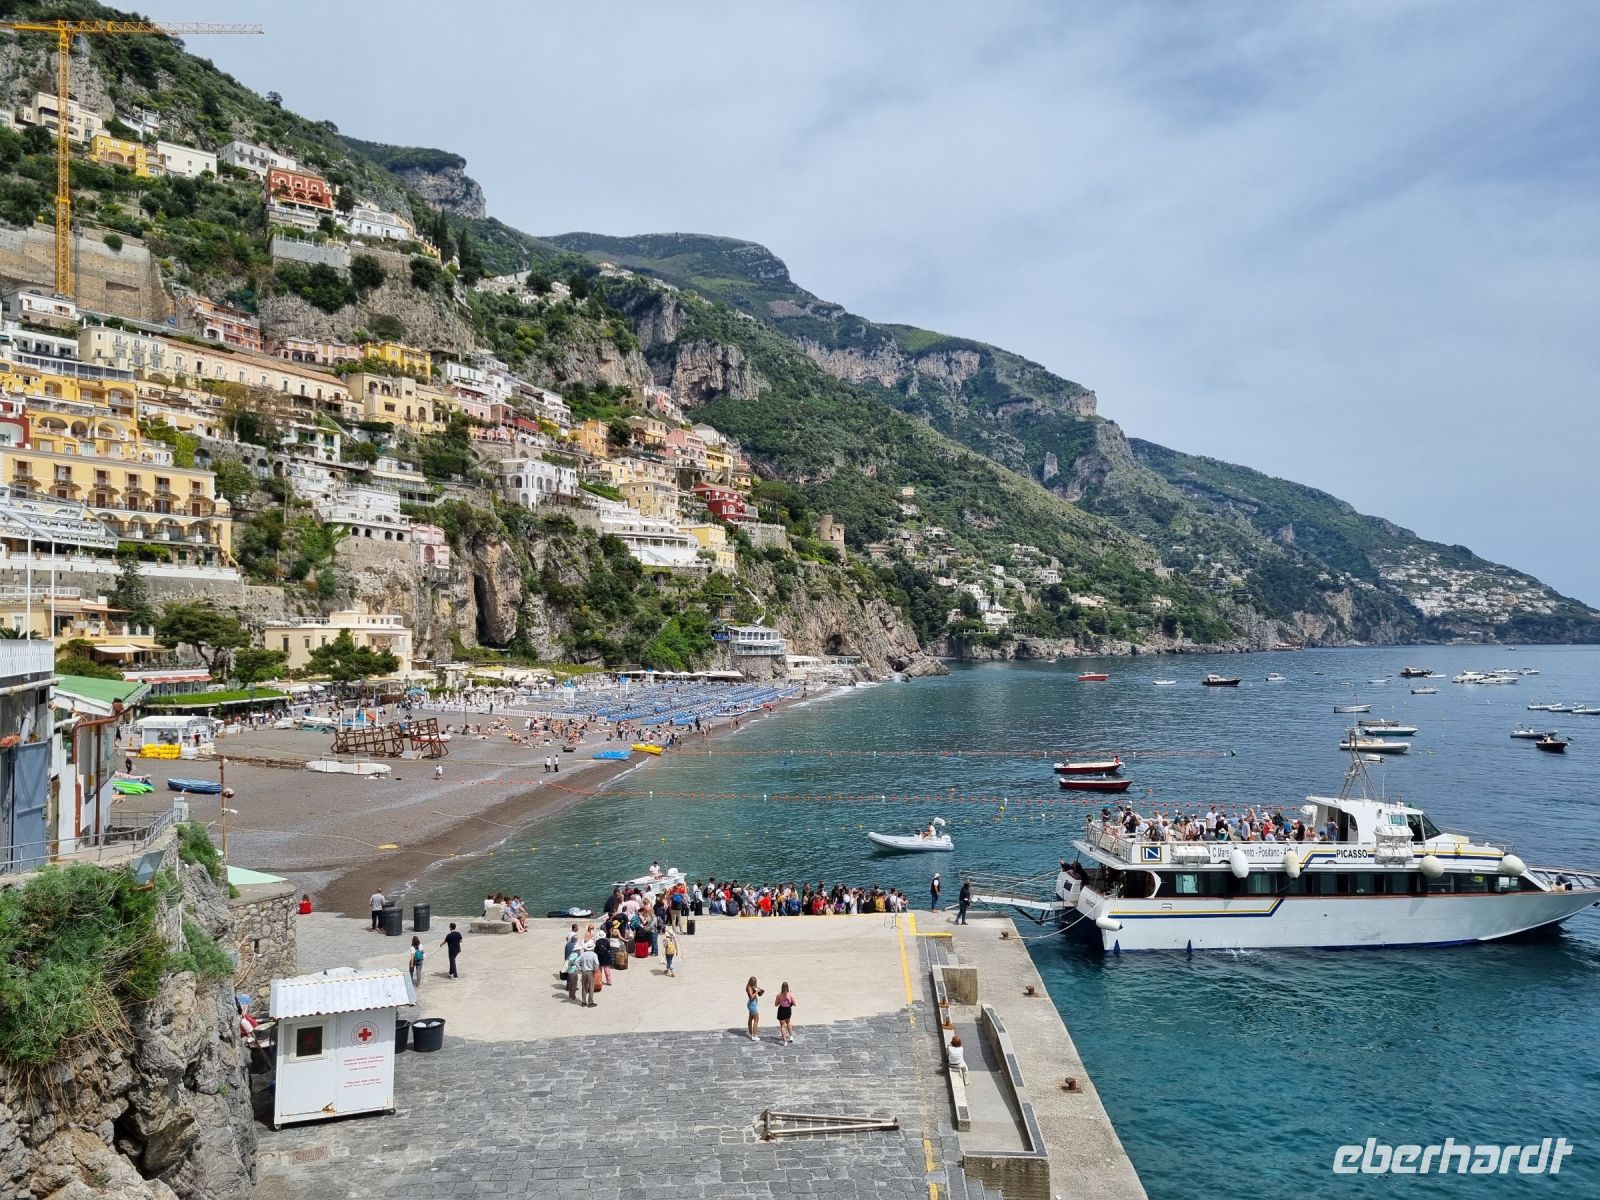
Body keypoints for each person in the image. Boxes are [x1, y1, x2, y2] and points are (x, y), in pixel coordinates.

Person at [745, 977, 764, 1041]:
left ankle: (751, 1032)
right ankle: (754, 1036)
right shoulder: (749, 987)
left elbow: (759, 994)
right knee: (756, 1019)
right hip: (752, 1005)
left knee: (751, 1019)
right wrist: (756, 992)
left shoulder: (752, 986)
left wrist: (759, 990)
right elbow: (751, 997)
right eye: (754, 982)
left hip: (752, 1005)